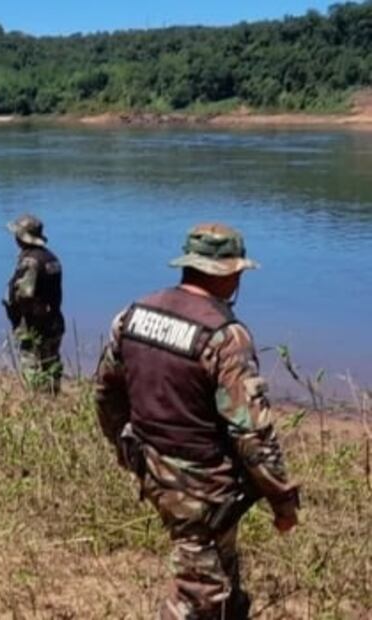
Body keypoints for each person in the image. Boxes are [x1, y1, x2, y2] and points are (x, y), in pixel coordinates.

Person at [94, 223, 300, 620]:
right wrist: (282, 499)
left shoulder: (134, 315)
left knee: (220, 576)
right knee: (200, 595)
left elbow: (106, 394)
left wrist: (125, 448)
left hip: (155, 467)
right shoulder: (225, 336)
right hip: (204, 485)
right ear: (230, 274)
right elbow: (252, 433)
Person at [3, 214, 65, 393]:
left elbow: (26, 294)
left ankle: (36, 408)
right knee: (51, 370)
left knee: (32, 373)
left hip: (35, 327)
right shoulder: (51, 258)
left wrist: (19, 314)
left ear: (21, 238)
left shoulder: (31, 261)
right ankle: (52, 407)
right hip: (54, 323)